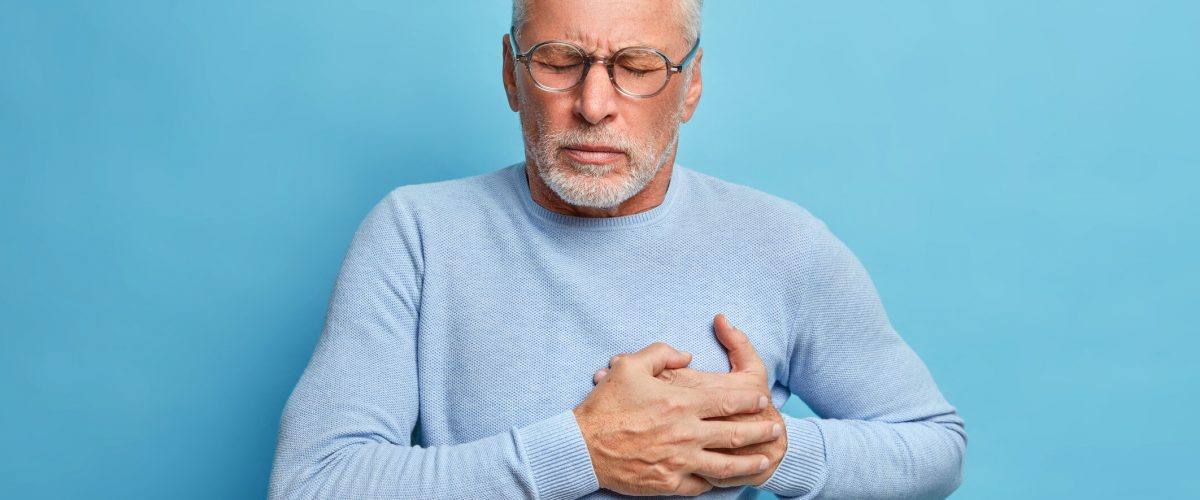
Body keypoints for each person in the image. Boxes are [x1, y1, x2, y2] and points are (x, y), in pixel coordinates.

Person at [268, 0, 967, 498]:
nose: (595, 103)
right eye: (559, 60)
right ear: (511, 75)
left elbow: (936, 448)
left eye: (637, 65)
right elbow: (315, 484)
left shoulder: (785, 245)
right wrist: (582, 452)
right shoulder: (415, 233)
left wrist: (764, 447)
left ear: (690, 84)